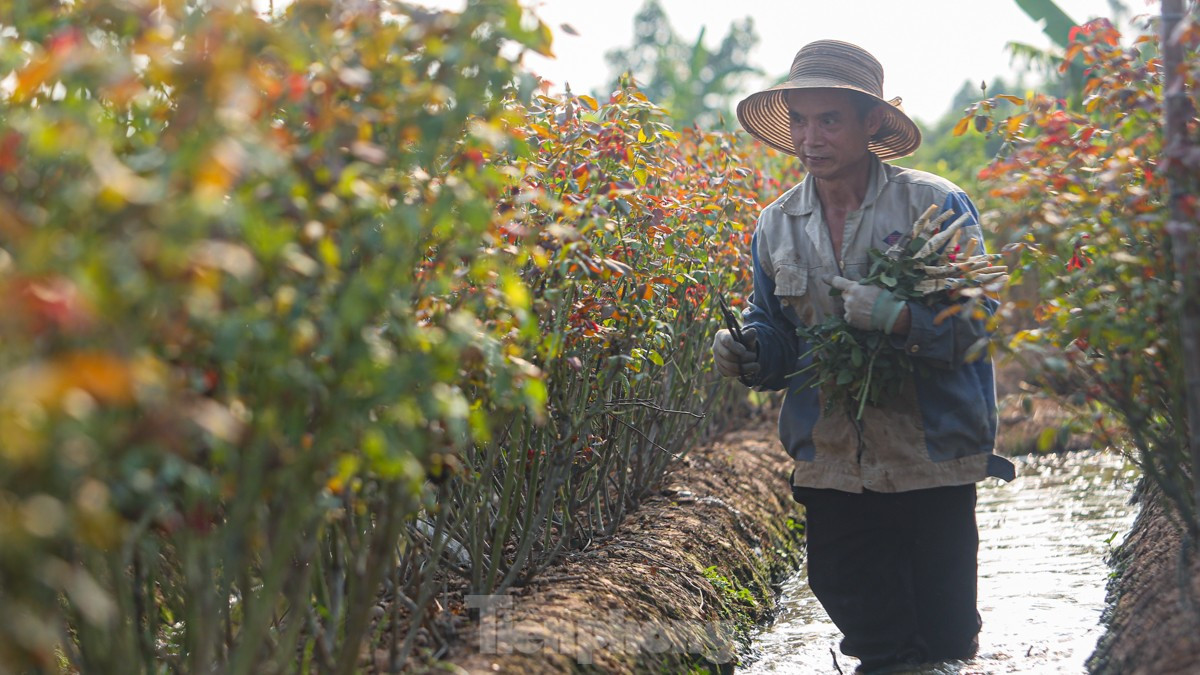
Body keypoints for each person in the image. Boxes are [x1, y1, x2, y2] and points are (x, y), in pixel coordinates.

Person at [712, 40, 1016, 673]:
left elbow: (981, 323)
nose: (810, 138)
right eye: (800, 121)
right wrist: (748, 350)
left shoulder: (933, 206)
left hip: (930, 458)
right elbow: (774, 333)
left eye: (829, 120)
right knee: (878, 644)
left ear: (872, 121)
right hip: (832, 461)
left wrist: (899, 317)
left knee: (947, 640)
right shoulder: (775, 224)